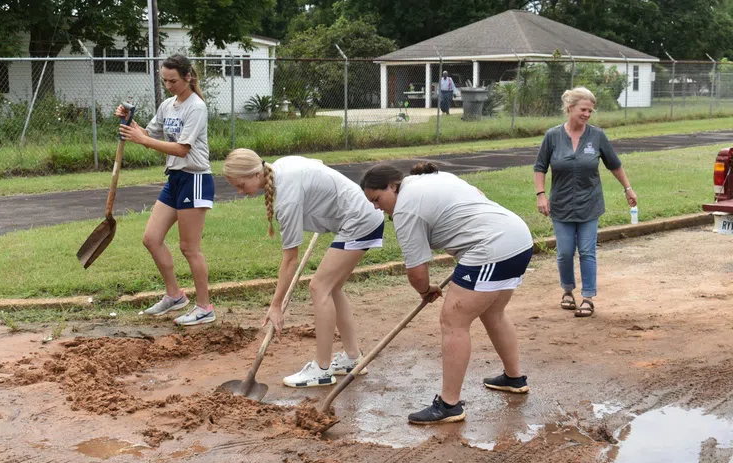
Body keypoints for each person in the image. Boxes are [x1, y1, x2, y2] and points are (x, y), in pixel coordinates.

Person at [361, 162, 534, 425]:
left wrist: (424, 290)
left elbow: (417, 273)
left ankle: (449, 404)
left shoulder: (406, 210)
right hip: (517, 237)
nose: (376, 206)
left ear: (393, 187)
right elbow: (475, 198)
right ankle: (514, 378)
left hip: (491, 248)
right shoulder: (432, 178)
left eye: (377, 199)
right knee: (493, 313)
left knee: (453, 322)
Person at [223, 149, 386, 388]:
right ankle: (353, 358)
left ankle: (321, 369)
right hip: (360, 216)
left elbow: (290, 260)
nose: (239, 190)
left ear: (255, 173)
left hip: (360, 220)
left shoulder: (286, 200)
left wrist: (276, 305)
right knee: (333, 287)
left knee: (319, 287)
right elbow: (317, 166)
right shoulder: (281, 165)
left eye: (240, 184)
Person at [116, 54, 216, 326]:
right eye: (165, 81)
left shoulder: (196, 107)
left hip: (195, 178)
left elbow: (183, 149)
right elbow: (150, 133)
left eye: (173, 80)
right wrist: (130, 122)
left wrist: (143, 140)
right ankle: (175, 295)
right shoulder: (168, 105)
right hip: (174, 178)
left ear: (188, 77)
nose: (169, 85)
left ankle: (204, 307)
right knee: (151, 238)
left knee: (189, 248)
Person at [534, 86, 638, 318]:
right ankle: (568, 290)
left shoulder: (597, 136)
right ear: (570, 108)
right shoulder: (552, 136)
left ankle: (588, 297)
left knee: (587, 252)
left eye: (590, 111)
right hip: (560, 204)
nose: (587, 114)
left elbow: (614, 164)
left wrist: (628, 188)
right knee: (565, 252)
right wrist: (541, 194)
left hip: (589, 204)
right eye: (583, 109)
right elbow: (540, 167)